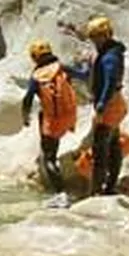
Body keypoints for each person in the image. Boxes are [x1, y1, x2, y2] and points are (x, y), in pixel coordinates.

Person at [21, 39, 87, 208]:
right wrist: (88, 62)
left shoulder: (36, 76)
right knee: (52, 143)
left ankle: (60, 193)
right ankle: (60, 185)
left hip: (53, 120)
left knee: (48, 157)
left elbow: (28, 98)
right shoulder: (61, 68)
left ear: (35, 57)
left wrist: (25, 116)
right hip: (69, 116)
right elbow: (84, 74)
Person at [85, 16, 128, 196]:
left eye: (97, 36)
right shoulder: (110, 53)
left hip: (110, 104)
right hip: (116, 102)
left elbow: (110, 81)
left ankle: (98, 190)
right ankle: (110, 186)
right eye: (93, 37)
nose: (95, 41)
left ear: (107, 35)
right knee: (113, 145)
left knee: (100, 149)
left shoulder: (110, 57)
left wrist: (102, 103)